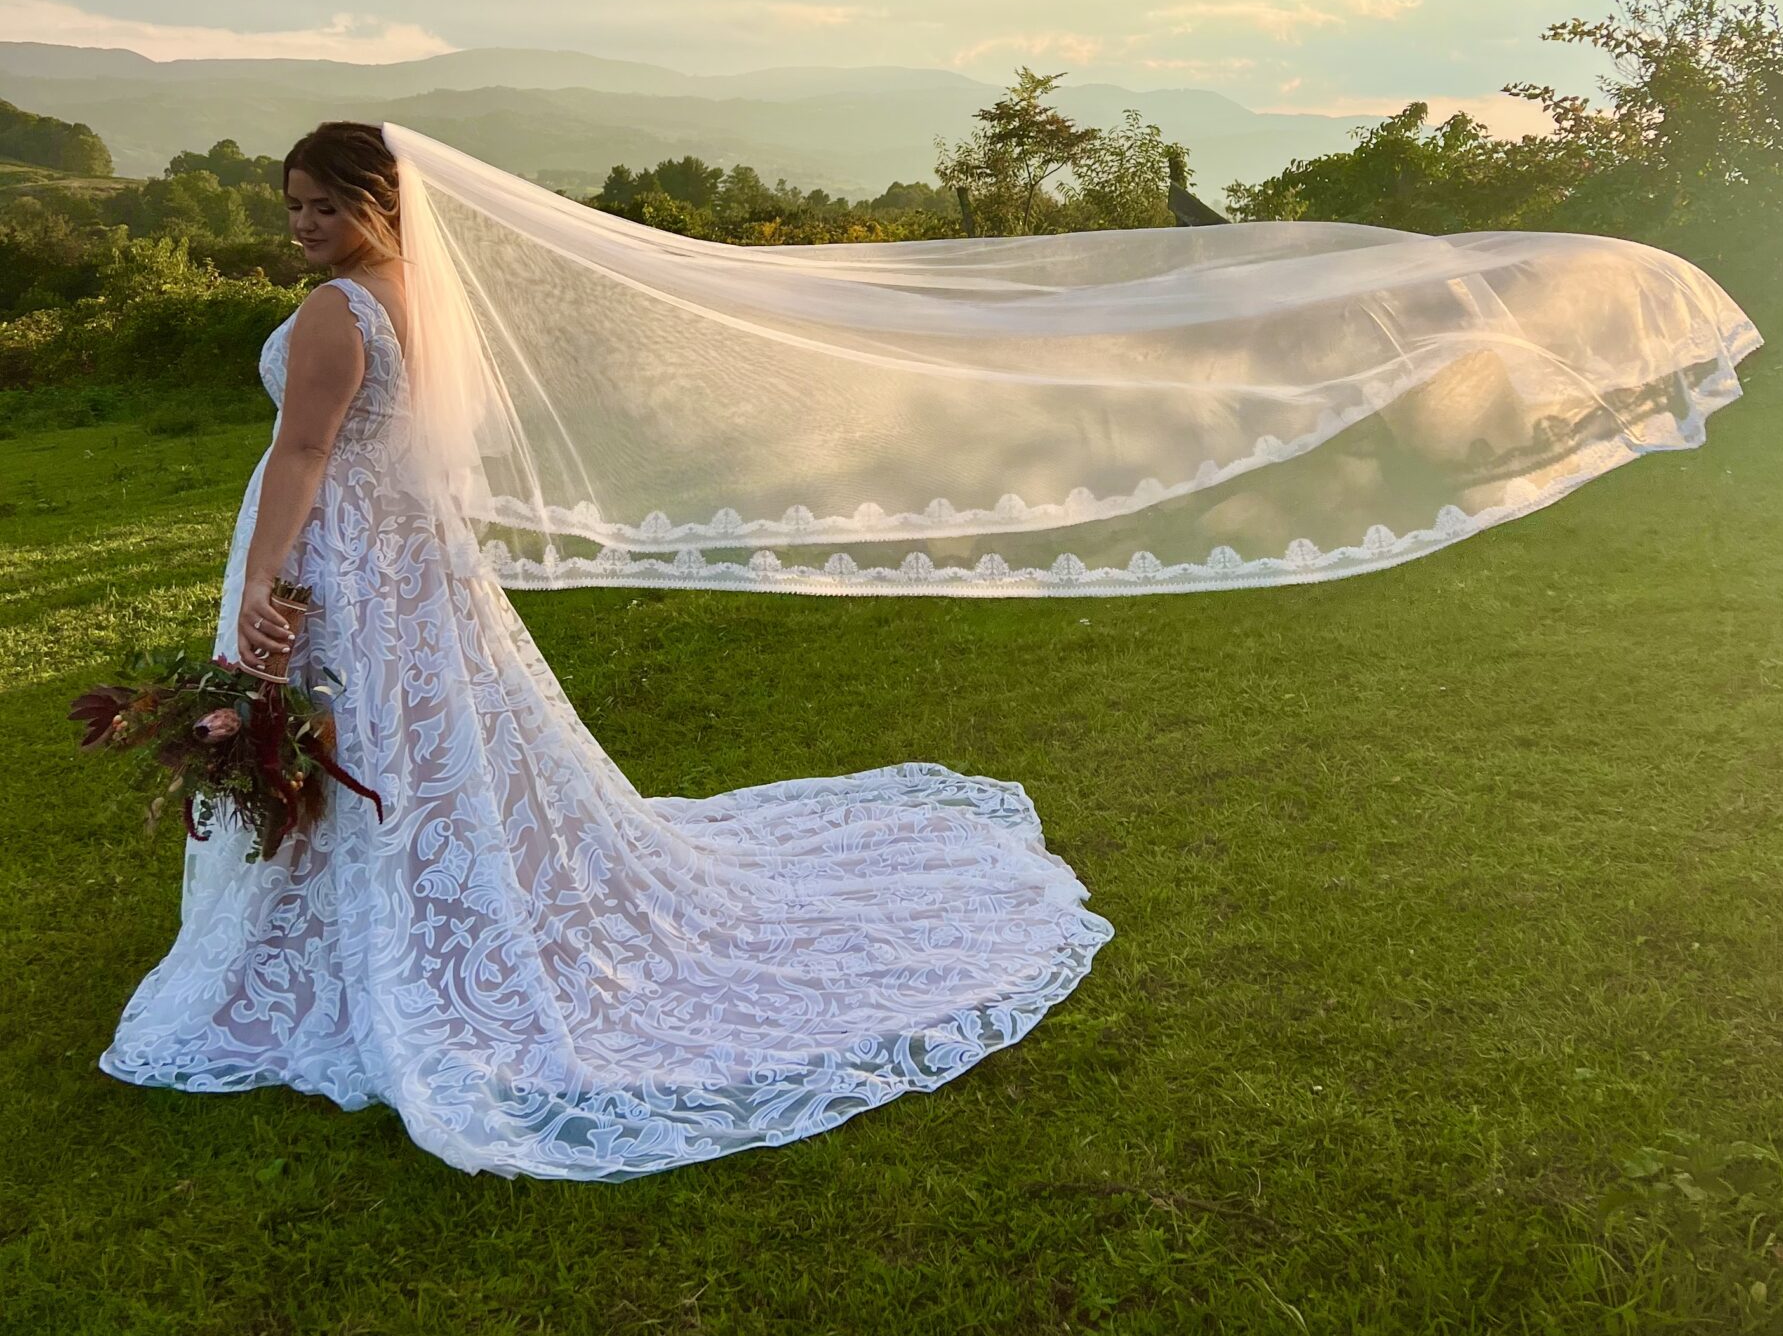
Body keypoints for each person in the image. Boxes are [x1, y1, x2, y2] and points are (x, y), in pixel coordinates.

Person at [102, 122, 1114, 1181]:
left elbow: (305, 450)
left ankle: (354, 933)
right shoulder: (421, 291)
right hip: (411, 554)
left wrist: (264, 579)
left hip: (340, 554)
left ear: (384, 204)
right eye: (294, 207)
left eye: (326, 206)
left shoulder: (333, 312)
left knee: (355, 721)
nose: (305, 226)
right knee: (414, 728)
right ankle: (382, 906)